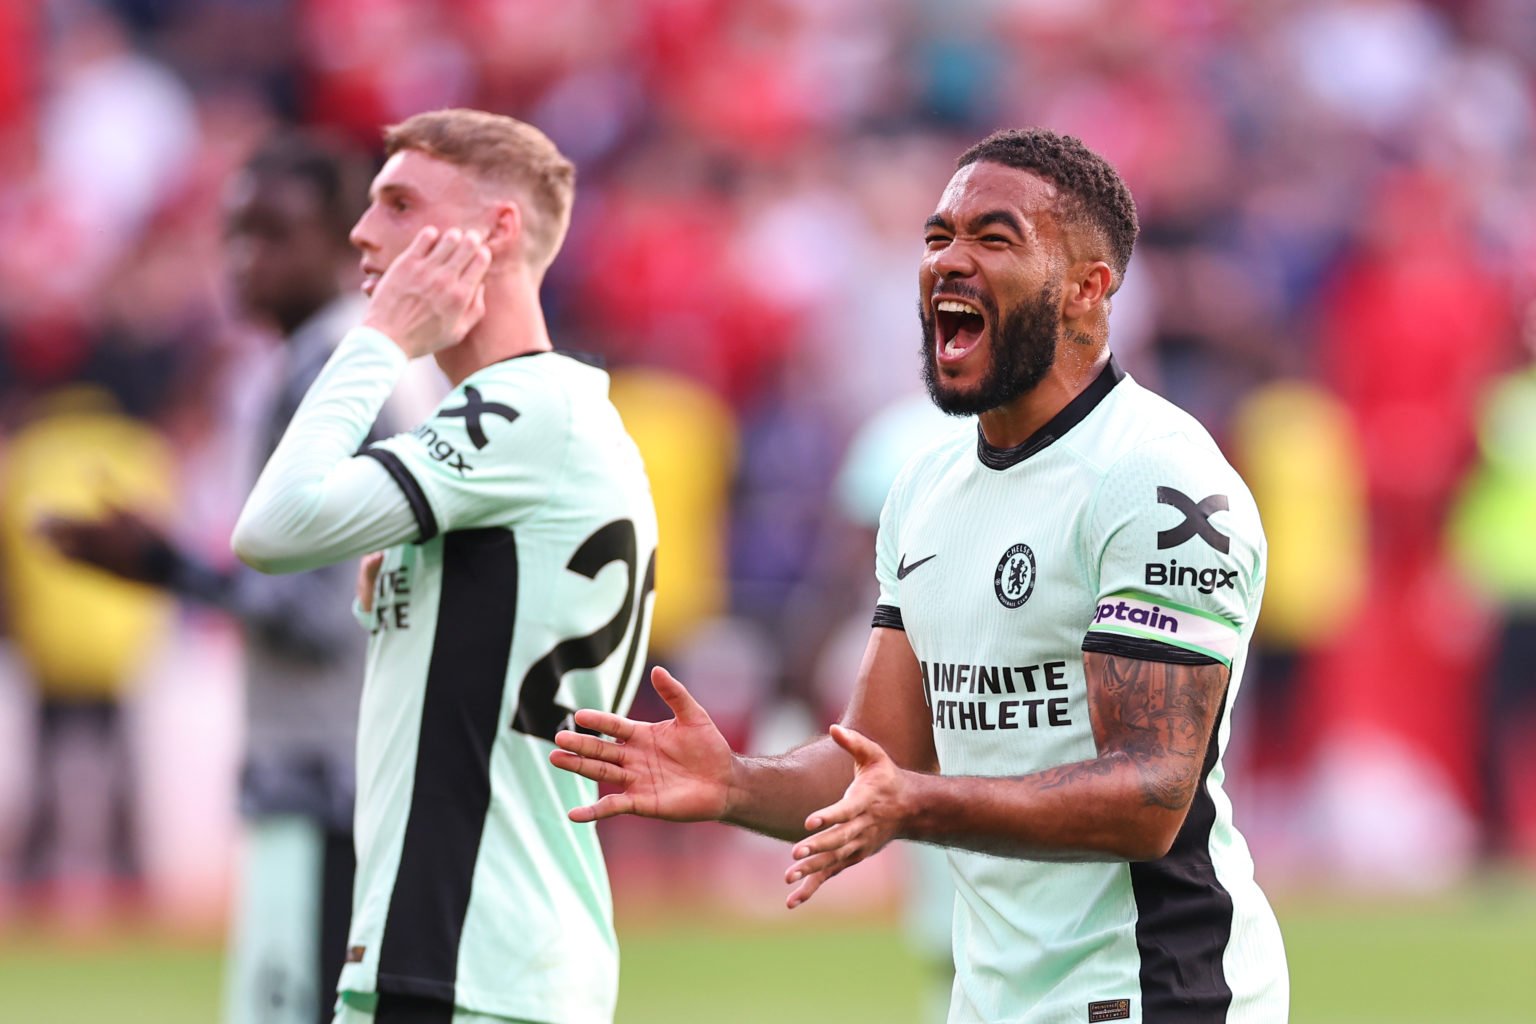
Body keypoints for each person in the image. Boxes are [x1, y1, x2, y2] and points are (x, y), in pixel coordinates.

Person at [550, 128, 1289, 1022]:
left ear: (1090, 289)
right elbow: (879, 757)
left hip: (1152, 992)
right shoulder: (928, 487)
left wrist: (917, 806)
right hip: (990, 1000)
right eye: (939, 237)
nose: (949, 262)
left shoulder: (1156, 476)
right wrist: (736, 783)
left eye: (994, 238)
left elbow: (1150, 796)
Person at [230, 109, 658, 1024]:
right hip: (490, 959)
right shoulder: (534, 424)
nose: (361, 229)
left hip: (462, 958)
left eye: (398, 202)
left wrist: (379, 338)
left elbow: (271, 527)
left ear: (497, 231)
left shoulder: (519, 414)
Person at [41, 133, 436, 1024]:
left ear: (347, 244)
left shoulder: (332, 374)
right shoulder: (314, 363)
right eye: (235, 234)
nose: (243, 260)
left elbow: (323, 606)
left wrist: (165, 567)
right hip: (344, 766)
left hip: (326, 771)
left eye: (274, 234)